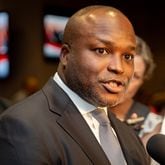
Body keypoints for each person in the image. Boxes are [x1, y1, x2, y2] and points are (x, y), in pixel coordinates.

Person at [0, 5, 150, 164]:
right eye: (101, 50)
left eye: (127, 56)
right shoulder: (23, 125)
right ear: (66, 55)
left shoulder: (128, 135)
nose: (118, 67)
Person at [110, 36, 162, 142]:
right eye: (122, 71)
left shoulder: (154, 126)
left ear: (142, 81)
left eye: (135, 76)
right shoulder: (81, 112)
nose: (125, 81)